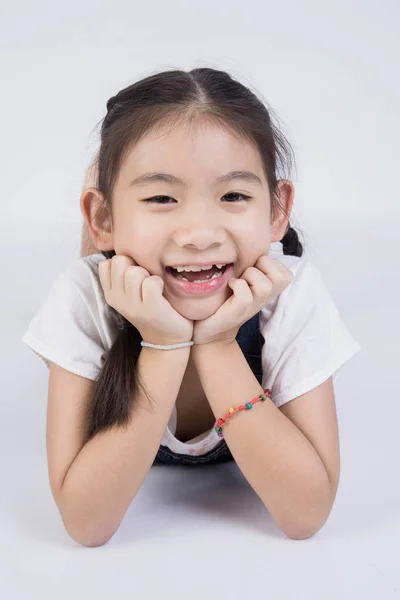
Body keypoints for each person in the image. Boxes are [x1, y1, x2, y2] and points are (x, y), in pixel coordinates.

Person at [21, 67, 361, 546]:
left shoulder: (292, 292)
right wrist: (163, 344)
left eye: (233, 195)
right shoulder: (82, 296)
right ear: (102, 217)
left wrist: (219, 345)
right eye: (162, 196)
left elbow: (305, 513)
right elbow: (86, 523)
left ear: (277, 210)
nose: (199, 234)